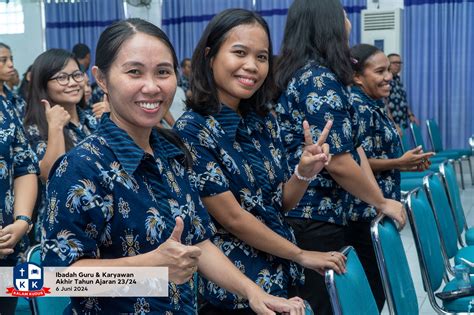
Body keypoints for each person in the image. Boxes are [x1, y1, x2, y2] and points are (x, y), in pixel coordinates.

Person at [41, 18, 307, 315]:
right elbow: (57, 280)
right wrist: (150, 265)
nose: (152, 87)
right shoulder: (81, 167)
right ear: (101, 79)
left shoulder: (172, 153)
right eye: (134, 72)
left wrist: (253, 292)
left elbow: (200, 245)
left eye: (163, 72)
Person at [174, 9, 345, 314]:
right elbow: (233, 218)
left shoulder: (263, 120)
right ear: (210, 56)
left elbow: (280, 202)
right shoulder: (192, 129)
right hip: (233, 291)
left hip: (281, 274)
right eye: (239, 52)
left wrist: (303, 173)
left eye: (262, 57)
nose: (252, 66)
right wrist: (301, 254)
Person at [273, 0, 406, 313]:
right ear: (327, 23)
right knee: (323, 305)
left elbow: (353, 149)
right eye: (344, 14)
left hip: (322, 212)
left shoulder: (315, 74)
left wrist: (376, 198)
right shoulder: (317, 80)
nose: (349, 21)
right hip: (314, 213)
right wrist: (381, 201)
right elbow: (338, 160)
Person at [349, 43, 434, 308]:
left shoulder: (373, 103)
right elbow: (353, 164)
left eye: (390, 70)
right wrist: (399, 161)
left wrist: (402, 165)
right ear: (357, 76)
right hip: (363, 209)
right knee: (372, 291)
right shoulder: (357, 107)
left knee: (380, 286)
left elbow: (376, 156)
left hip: (379, 205)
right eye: (380, 71)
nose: (389, 76)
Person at [24, 49, 97, 242]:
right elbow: (50, 176)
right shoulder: (33, 130)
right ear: (43, 84)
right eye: (62, 77)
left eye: (76, 75)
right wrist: (55, 127)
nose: (73, 83)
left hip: (100, 221)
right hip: (62, 228)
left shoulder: (93, 121)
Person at [0, 42, 39, 315]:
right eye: (3, 60)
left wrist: (22, 221)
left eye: (10, 59)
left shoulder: (9, 104)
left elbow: (25, 167)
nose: (10, 65)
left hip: (7, 243)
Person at [386, 53, 417, 130]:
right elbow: (384, 104)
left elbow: (403, 100)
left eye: (399, 63)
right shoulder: (385, 80)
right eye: (394, 63)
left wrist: (410, 115)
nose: (398, 65)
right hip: (390, 124)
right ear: (387, 64)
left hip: (401, 122)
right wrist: (392, 124)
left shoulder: (398, 80)